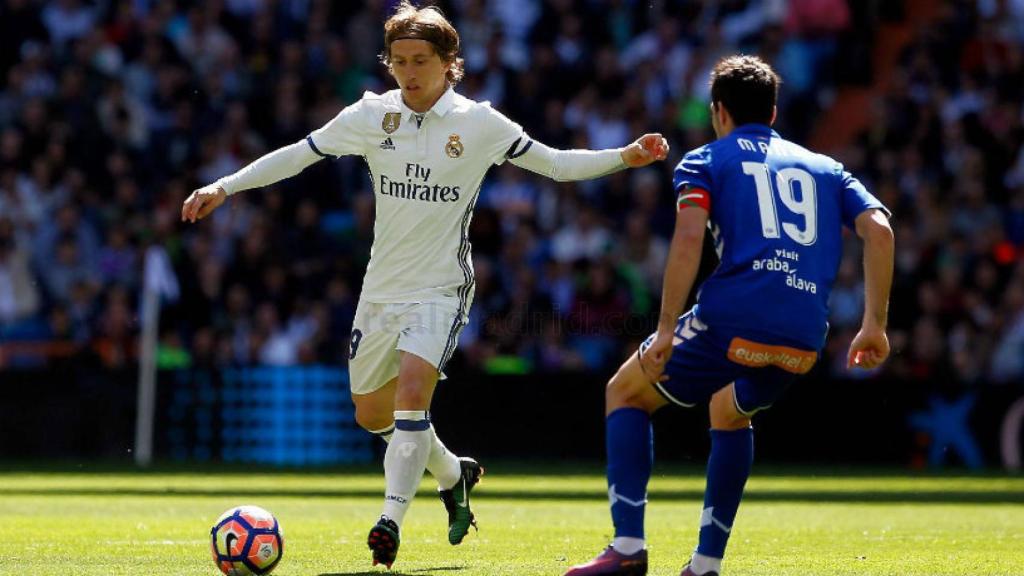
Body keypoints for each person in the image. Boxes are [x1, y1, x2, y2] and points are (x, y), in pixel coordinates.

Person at [180, 1, 669, 569]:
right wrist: (225, 186)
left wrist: (624, 157)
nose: (408, 72)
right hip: (380, 289)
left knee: (413, 397)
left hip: (441, 288)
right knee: (371, 414)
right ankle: (453, 472)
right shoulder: (371, 115)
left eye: (420, 60)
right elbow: (299, 155)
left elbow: (557, 164)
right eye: (399, 61)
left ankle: (389, 520)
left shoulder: (479, 124)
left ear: (448, 62)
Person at [565, 54, 894, 576]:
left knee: (625, 392)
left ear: (719, 111)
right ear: (774, 112)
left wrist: (666, 329)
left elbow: (688, 240)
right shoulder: (827, 169)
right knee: (729, 411)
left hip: (733, 318)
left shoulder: (705, 160)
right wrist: (874, 325)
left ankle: (627, 547)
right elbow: (879, 231)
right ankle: (706, 564)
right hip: (805, 335)